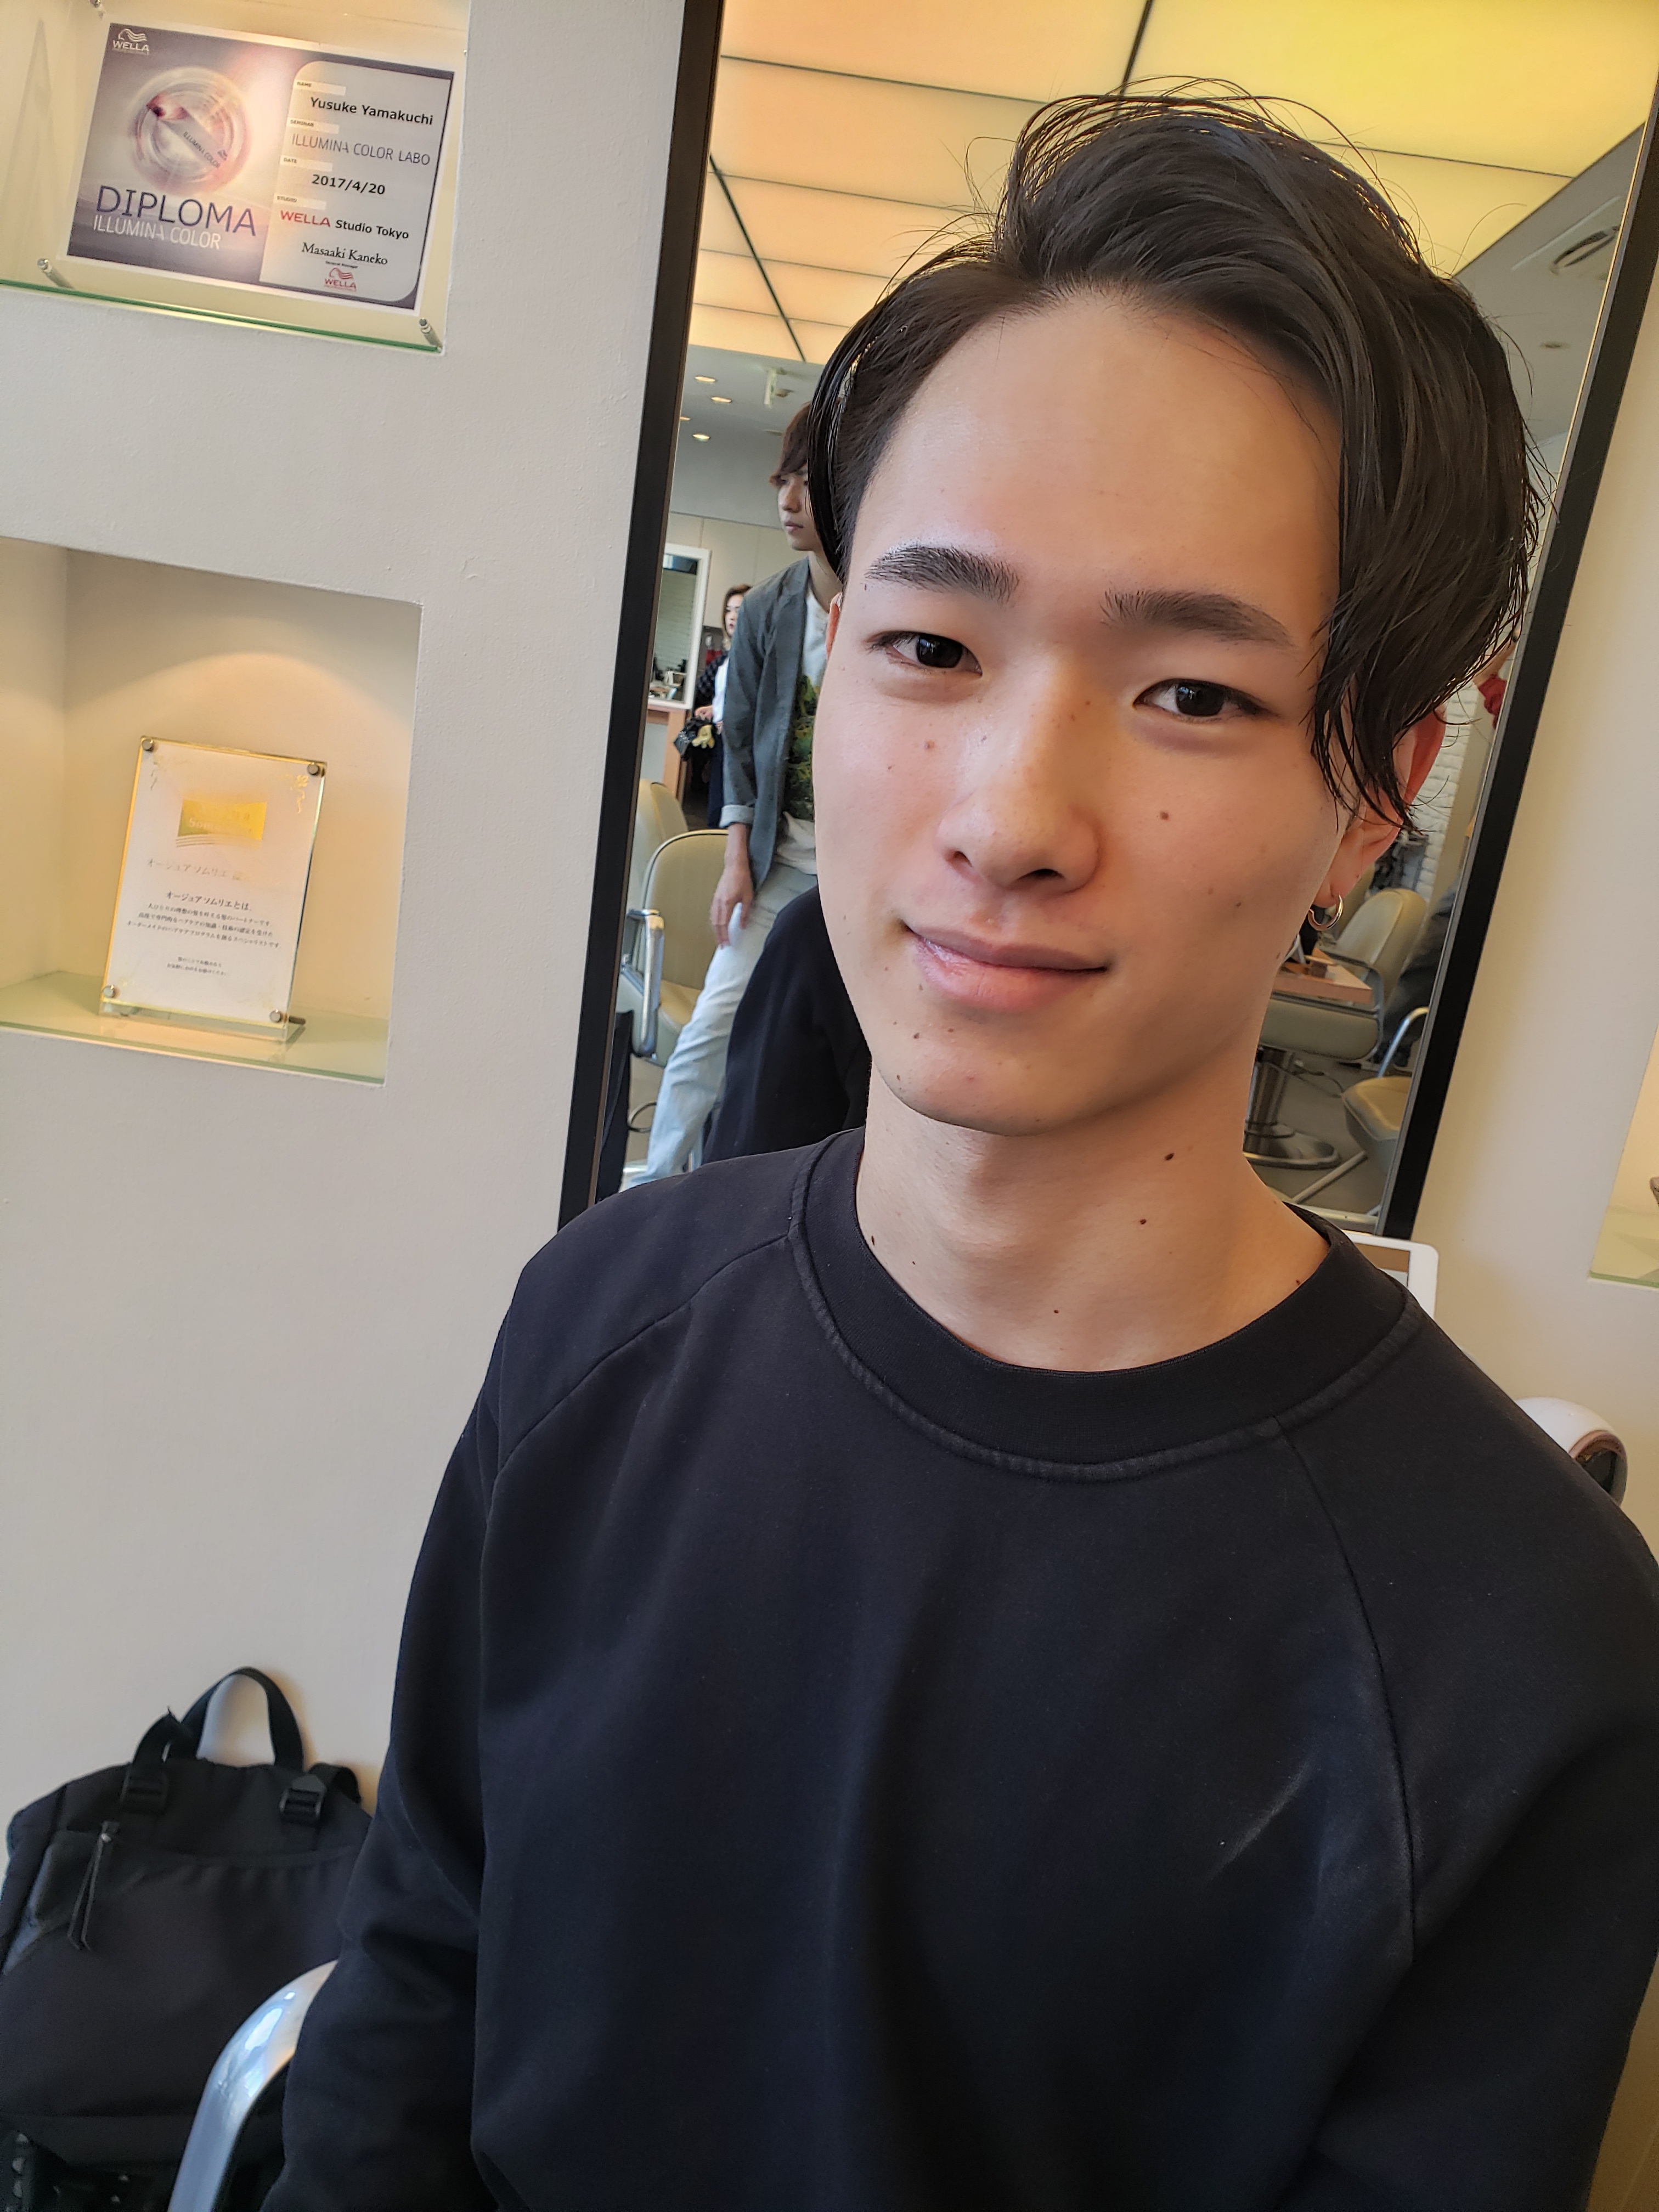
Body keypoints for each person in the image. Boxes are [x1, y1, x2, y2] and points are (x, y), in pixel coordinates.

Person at [269, 94, 1659, 2212]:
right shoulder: (595, 1327)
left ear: (1375, 788)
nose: (1007, 815)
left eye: (1188, 692)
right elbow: (421, 1981)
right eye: (928, 647)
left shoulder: (1514, 1640)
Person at [640, 407, 839, 1178]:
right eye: (783, 481)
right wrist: (735, 863)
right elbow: (743, 748)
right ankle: (659, 1195)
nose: (787, 500)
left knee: (835, 1056)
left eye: (806, 482)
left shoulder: (894, 600)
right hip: (777, 865)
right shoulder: (765, 610)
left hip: (865, 876)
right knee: (708, 1037)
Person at [704, 883, 870, 1160]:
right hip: (776, 885)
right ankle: (656, 1173)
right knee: (705, 1035)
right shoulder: (817, 928)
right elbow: (756, 1151)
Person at [680, 580, 749, 827]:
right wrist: (715, 708)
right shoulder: (730, 655)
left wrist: (726, 715)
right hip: (723, 741)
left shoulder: (753, 655)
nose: (732, 616)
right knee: (717, 810)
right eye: (729, 610)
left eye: (739, 610)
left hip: (739, 745)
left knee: (728, 814)